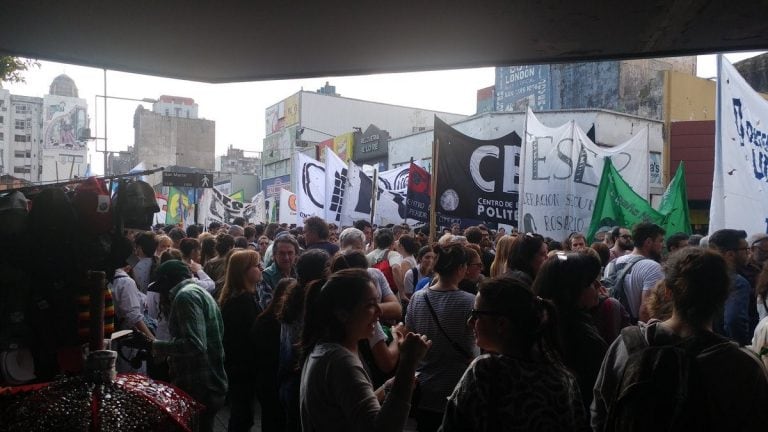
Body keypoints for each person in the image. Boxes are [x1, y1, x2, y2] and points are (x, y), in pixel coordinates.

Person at [591, 247, 768, 431]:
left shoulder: (626, 345)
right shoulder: (744, 366)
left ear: (667, 291)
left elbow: (600, 414)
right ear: (724, 296)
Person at [441, 277, 588, 432]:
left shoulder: (485, 371)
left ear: (501, 324)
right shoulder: (564, 378)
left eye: (476, 314)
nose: (470, 321)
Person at [300, 268, 431, 432]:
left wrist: (386, 388)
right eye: (370, 304)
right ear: (342, 314)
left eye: (377, 302)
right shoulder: (340, 361)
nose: (379, 310)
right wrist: (408, 363)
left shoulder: (327, 348)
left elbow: (354, 408)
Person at [123, 260, 227, 432]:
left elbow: (195, 345)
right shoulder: (198, 291)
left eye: (162, 288)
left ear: (168, 280)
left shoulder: (185, 297)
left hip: (199, 386)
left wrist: (152, 345)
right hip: (209, 383)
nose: (162, 295)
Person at [406, 243, 478, 432]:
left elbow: (409, 338)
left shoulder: (417, 298)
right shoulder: (470, 302)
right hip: (458, 388)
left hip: (424, 388)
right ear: (461, 268)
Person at [533, 252, 607, 415]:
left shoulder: (538, 323)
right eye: (590, 283)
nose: (598, 286)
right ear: (572, 290)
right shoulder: (582, 338)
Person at [218, 250, 264, 432]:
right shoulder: (242, 302)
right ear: (243, 271)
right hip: (242, 369)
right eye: (256, 265)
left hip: (241, 368)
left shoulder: (241, 297)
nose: (261, 268)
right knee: (242, 416)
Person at [252, 278, 294, 432]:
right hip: (273, 381)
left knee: (270, 420)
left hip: (266, 381)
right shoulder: (278, 322)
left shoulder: (263, 319)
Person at [603, 222, 665, 323]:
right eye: (661, 241)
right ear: (648, 242)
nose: (663, 245)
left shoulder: (612, 263)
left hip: (614, 329)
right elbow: (646, 312)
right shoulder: (653, 267)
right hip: (635, 332)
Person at [708, 229, 753, 345]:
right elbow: (734, 321)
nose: (749, 253)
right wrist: (743, 348)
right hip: (728, 353)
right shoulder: (737, 282)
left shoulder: (701, 277)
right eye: (746, 249)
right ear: (730, 254)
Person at [262, 233, 300, 308]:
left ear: (296, 254)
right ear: (274, 255)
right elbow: (267, 306)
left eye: (290, 253)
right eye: (282, 253)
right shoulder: (266, 275)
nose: (286, 257)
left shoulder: (300, 272)